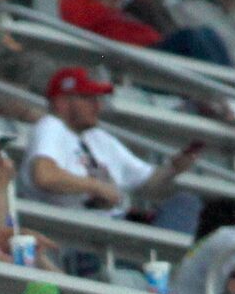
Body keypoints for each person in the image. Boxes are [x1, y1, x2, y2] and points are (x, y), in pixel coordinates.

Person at [24, 66, 200, 213]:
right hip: (73, 235)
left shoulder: (99, 138)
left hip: (110, 228)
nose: (97, 105)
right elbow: (44, 175)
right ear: (61, 102)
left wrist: (173, 168)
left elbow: (145, 181)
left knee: (185, 203)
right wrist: (95, 186)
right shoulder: (51, 126)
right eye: (88, 98)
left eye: (98, 98)